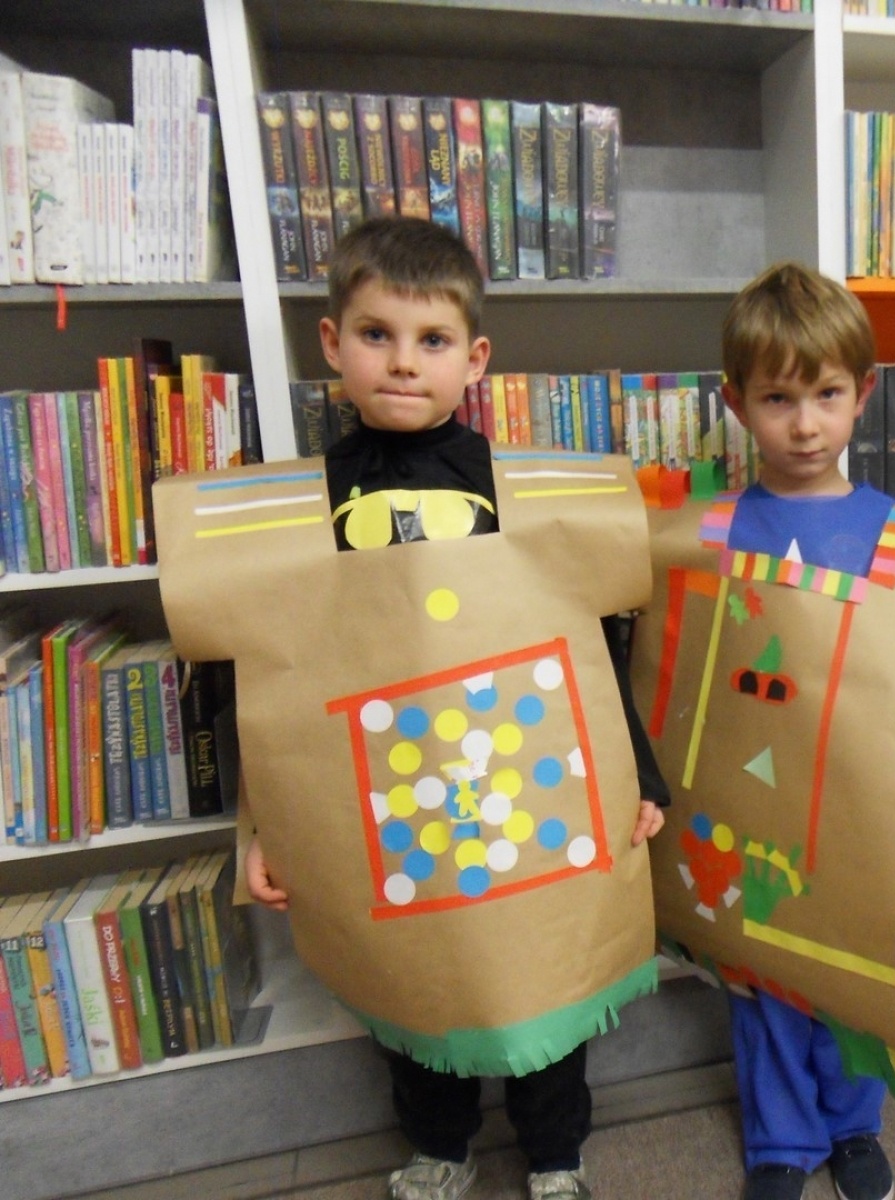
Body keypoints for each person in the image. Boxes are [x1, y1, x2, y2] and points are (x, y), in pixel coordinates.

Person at [241, 215, 670, 1200]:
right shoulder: (303, 503)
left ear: (475, 358)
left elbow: (593, 646)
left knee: (540, 975)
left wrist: (633, 776)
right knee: (417, 982)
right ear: (330, 344)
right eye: (376, 334)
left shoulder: (517, 487)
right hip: (380, 784)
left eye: (431, 340)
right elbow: (273, 674)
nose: (402, 363)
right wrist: (263, 825)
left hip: (519, 767)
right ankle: (440, 1146)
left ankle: (556, 1155)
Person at [716, 261, 895, 1200]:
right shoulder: (716, 531)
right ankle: (780, 1141)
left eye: (826, 395)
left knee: (856, 971)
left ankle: (853, 1123)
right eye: (778, 398)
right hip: (753, 803)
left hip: (863, 800)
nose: (805, 423)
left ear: (863, 395)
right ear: (738, 402)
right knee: (765, 975)